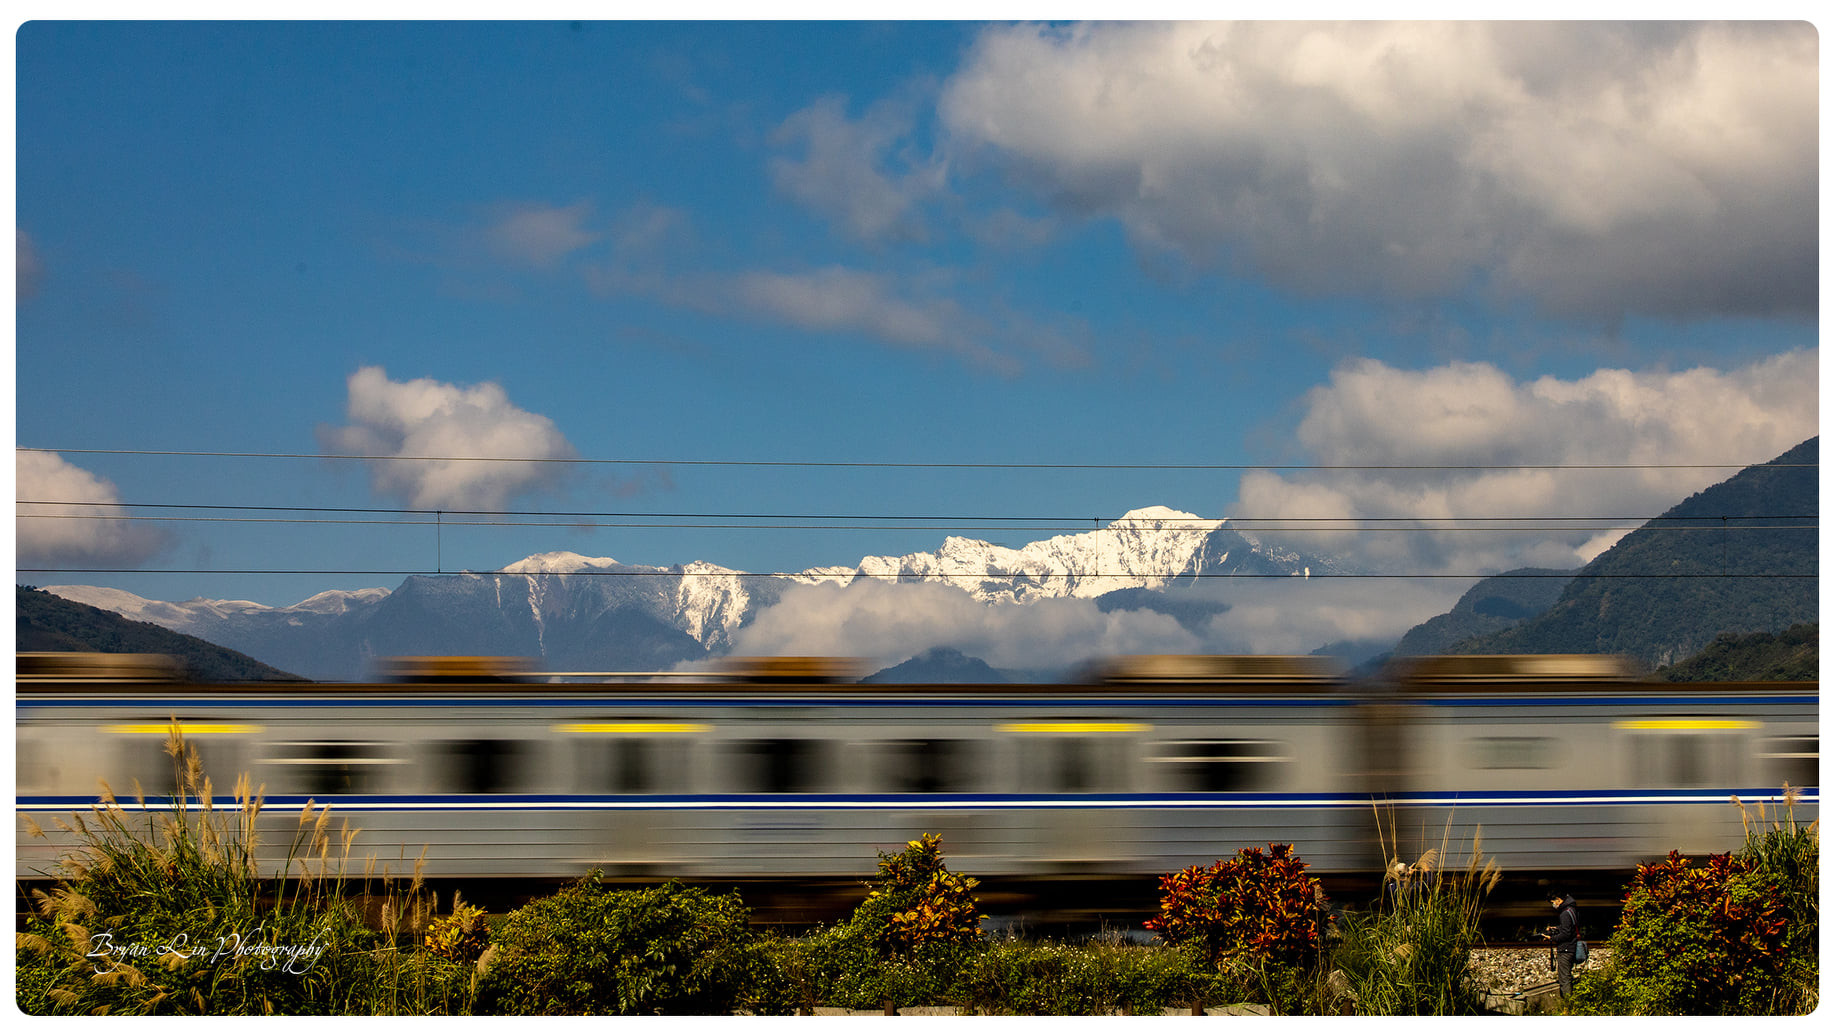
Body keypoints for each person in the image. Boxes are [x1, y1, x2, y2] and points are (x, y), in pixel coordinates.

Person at [1543, 892, 1581, 998]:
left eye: (1553, 902)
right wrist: (1556, 928)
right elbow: (1569, 928)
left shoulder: (1564, 913)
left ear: (1559, 900)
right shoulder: (1572, 910)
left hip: (1566, 949)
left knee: (1564, 978)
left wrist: (1552, 938)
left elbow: (1566, 934)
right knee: (1567, 975)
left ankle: (1568, 1004)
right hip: (1572, 946)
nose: (1553, 905)